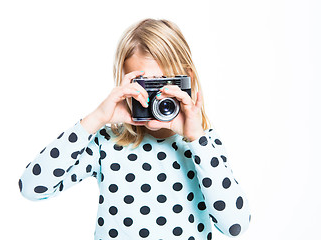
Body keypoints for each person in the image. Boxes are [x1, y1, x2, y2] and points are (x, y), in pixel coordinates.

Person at [18, 18, 251, 239]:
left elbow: (235, 225)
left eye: (164, 83)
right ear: (126, 83)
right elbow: (32, 188)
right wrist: (97, 118)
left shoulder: (203, 144)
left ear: (187, 80)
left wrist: (196, 138)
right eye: (145, 85)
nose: (156, 97)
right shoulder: (107, 143)